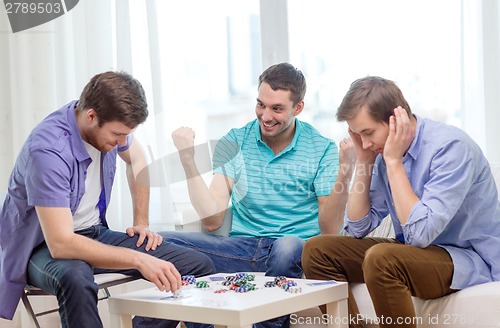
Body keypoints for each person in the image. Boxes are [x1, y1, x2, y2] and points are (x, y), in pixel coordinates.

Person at [0, 71, 215, 328]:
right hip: (41, 246)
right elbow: (61, 244)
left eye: (127, 134)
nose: (122, 142)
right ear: (91, 116)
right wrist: (138, 259)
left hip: (92, 233)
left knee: (197, 265)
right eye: (117, 135)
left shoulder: (107, 124)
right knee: (76, 278)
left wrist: (142, 223)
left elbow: (137, 159)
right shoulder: (48, 151)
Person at [161, 63, 355, 328]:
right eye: (261, 105)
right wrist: (188, 160)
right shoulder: (236, 140)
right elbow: (212, 221)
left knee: (287, 246)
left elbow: (331, 230)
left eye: (277, 108)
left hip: (295, 249)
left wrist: (345, 172)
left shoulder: (321, 148)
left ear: (298, 108)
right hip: (243, 248)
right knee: (165, 242)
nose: (265, 116)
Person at [302, 76, 500, 328]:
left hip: (466, 259)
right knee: (317, 251)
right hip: (414, 255)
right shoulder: (379, 152)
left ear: (395, 119)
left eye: (368, 133)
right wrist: (364, 161)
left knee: (381, 258)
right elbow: (357, 227)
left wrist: (394, 161)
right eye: (357, 135)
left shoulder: (451, 147)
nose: (364, 143)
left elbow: (419, 235)